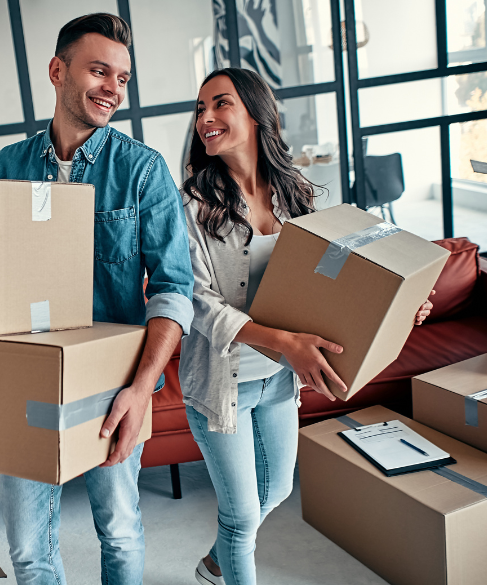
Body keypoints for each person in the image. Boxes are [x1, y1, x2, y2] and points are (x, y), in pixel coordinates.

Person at [179, 68, 435, 585]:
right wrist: (282, 342)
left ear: (255, 113)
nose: (206, 118)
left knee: (273, 492)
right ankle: (230, 564)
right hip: (219, 385)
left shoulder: (295, 196)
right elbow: (196, 302)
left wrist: (397, 302)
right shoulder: (192, 207)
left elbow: (336, 284)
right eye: (200, 108)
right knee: (243, 515)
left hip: (277, 378)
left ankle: (215, 564)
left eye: (220, 104)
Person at [0, 13, 194, 585]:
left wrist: (142, 390)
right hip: (24, 381)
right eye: (99, 71)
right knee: (27, 549)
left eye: (122, 78)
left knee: (120, 533)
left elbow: (175, 290)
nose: (113, 89)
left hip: (111, 388)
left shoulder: (143, 172)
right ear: (57, 70)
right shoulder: (5, 169)